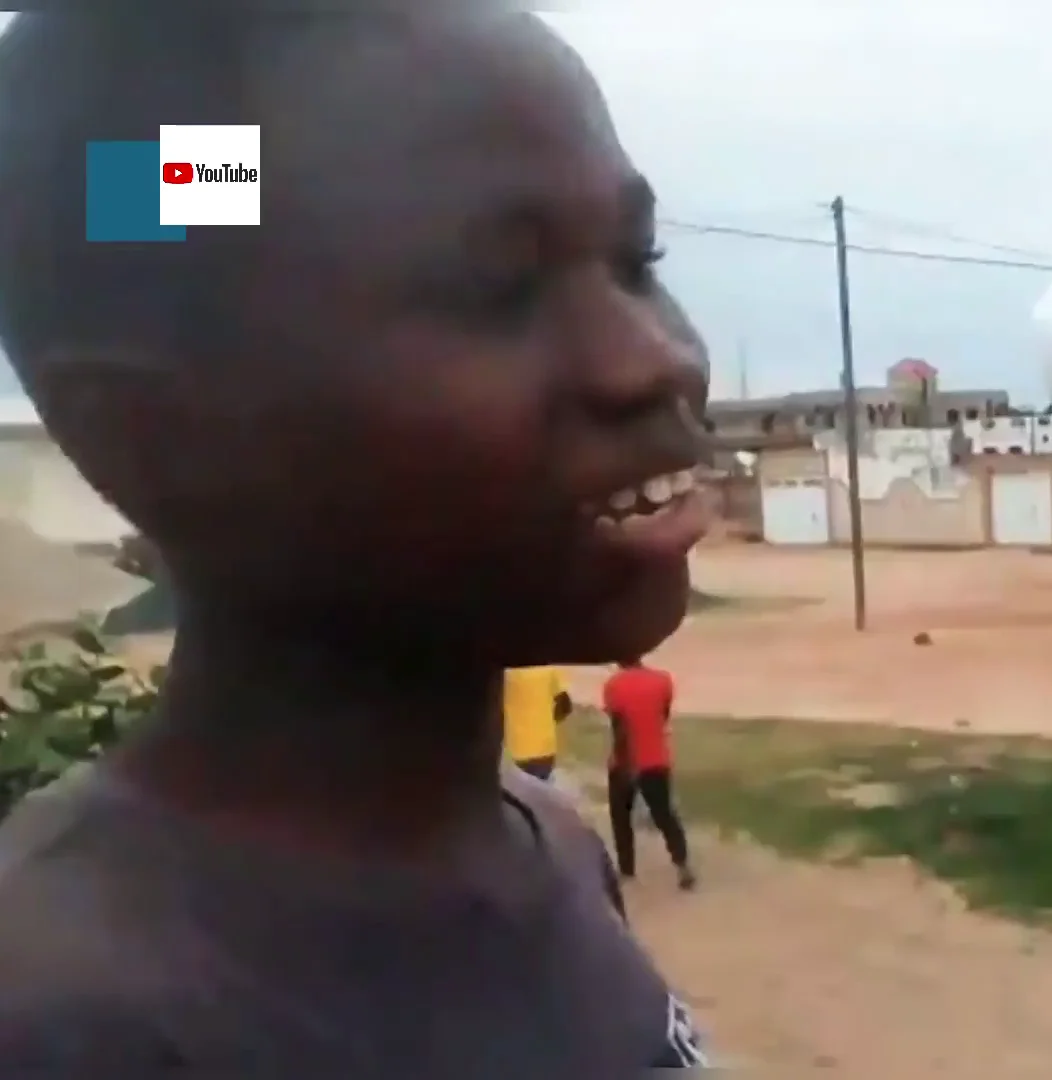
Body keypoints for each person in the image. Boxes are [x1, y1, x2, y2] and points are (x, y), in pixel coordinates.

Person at [0, 12, 716, 1074]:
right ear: (162, 435)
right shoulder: (70, 1019)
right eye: (499, 290)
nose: (651, 361)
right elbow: (122, 192)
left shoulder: (547, 842)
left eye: (634, 259)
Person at [601, 658, 695, 890]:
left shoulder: (613, 685)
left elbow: (619, 728)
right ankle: (682, 865)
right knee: (665, 815)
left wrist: (626, 764)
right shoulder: (662, 680)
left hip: (626, 763)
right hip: (656, 758)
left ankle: (626, 870)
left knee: (621, 817)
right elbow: (663, 716)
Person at [502, 665, 571, 781]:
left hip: (515, 749)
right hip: (545, 748)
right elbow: (566, 706)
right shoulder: (548, 670)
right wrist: (547, 723)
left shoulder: (506, 674)